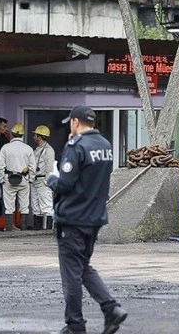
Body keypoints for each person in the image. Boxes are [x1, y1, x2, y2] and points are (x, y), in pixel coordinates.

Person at [46, 105, 127, 334]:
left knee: (71, 273)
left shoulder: (76, 146)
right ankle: (111, 308)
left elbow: (65, 184)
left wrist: (51, 180)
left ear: (75, 122)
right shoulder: (105, 145)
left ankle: (75, 325)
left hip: (73, 218)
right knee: (82, 267)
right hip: (94, 218)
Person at [0, 123, 35, 231]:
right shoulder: (28, 149)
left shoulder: (5, 148)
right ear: (22, 135)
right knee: (24, 205)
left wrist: (0, 179)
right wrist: (30, 179)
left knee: (9, 206)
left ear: (13, 134)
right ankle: (23, 228)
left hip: (9, 179)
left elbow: (0, 166)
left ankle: (9, 228)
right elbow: (32, 166)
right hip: (24, 179)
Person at [31, 125, 55, 230]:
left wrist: (46, 182)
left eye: (35, 135)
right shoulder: (37, 150)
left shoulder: (48, 150)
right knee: (36, 207)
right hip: (35, 180)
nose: (33, 137)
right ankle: (38, 229)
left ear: (40, 137)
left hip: (43, 180)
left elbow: (49, 168)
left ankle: (47, 230)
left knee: (46, 206)